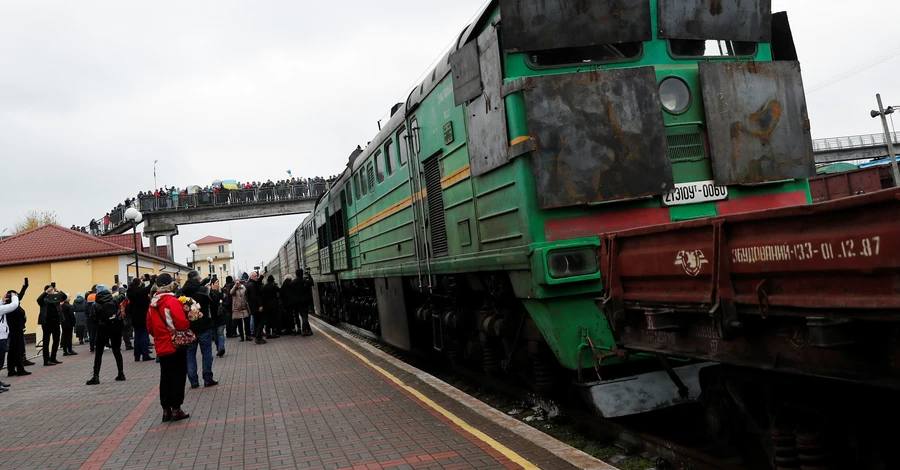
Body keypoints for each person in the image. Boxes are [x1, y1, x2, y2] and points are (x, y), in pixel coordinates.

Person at [146, 273, 190, 423]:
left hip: (161, 345)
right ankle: (176, 409)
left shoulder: (153, 304)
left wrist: (159, 335)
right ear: (169, 285)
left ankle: (166, 410)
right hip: (175, 345)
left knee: (165, 377)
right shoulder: (171, 301)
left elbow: (149, 327)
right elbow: (182, 324)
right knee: (178, 376)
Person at [180, 271, 219, 389]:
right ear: (197, 279)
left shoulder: (181, 292)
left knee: (190, 354)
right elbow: (215, 300)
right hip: (203, 325)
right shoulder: (203, 290)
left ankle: (193, 381)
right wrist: (215, 290)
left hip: (188, 328)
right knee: (206, 352)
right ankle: (207, 378)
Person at [86, 285, 126, 385]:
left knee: (99, 353)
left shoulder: (96, 304)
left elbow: (92, 318)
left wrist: (99, 324)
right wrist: (120, 286)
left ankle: (96, 376)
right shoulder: (114, 300)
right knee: (117, 351)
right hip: (116, 327)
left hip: (102, 329)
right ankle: (121, 374)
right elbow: (122, 294)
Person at [37, 285, 66, 366]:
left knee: (56, 340)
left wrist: (58, 290)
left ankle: (53, 357)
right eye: (50, 290)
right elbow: (38, 299)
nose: (51, 291)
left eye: (52, 290)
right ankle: (46, 360)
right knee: (46, 341)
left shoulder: (56, 298)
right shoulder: (44, 299)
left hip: (56, 322)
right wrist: (46, 292)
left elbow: (64, 297)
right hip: (46, 322)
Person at [5, 279, 30, 377]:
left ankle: (11, 370)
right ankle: (20, 369)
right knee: (18, 350)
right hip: (15, 330)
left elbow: (20, 296)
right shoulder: (12, 306)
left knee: (12, 350)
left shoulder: (12, 304)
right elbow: (16, 301)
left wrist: (25, 286)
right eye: (15, 295)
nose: (17, 296)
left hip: (15, 330)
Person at [127, 278, 154, 362]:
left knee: (137, 336)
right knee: (144, 335)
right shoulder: (142, 291)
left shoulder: (130, 291)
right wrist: (151, 279)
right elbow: (149, 287)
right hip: (143, 315)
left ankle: (137, 356)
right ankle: (145, 354)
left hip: (134, 316)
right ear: (139, 284)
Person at [0, 291, 19, 392]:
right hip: (0, 337)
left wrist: (2, 301)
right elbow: (13, 306)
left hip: (2, 336)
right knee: (0, 361)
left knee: (1, 361)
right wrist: (14, 297)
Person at [245, 272, 265, 344]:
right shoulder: (252, 285)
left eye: (257, 276)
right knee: (261, 321)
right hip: (256, 307)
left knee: (257, 322)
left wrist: (262, 276)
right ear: (251, 277)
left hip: (253, 307)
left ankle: (258, 337)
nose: (257, 277)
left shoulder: (250, 284)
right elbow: (255, 296)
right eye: (255, 276)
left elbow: (257, 282)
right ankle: (258, 337)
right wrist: (260, 305)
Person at [261, 275, 281, 340]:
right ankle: (274, 333)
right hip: (274, 306)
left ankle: (268, 333)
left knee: (267, 320)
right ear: (273, 280)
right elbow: (280, 291)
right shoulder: (274, 286)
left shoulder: (263, 287)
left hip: (266, 306)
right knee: (274, 319)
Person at [294, 269, 314, 336]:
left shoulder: (293, 282)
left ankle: (309, 330)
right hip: (305, 301)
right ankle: (304, 330)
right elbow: (312, 283)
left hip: (297, 302)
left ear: (296, 274)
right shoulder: (305, 281)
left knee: (303, 316)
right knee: (305, 316)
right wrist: (309, 274)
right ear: (302, 274)